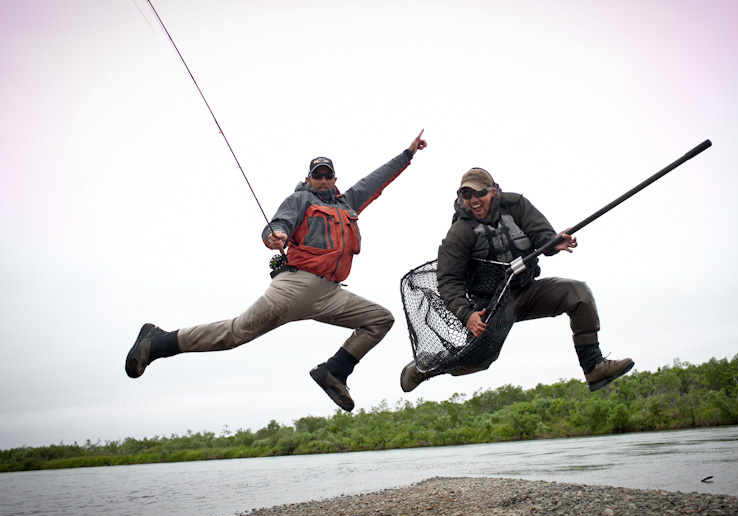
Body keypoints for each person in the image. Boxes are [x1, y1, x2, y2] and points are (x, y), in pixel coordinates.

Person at [127, 130, 428, 412]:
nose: (323, 180)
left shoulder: (347, 203)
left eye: (328, 175)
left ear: (335, 179)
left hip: (331, 294)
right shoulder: (300, 199)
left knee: (379, 320)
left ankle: (334, 372)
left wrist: (408, 154)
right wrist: (276, 235)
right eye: (317, 176)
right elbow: (279, 223)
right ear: (309, 179)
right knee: (235, 333)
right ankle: (158, 341)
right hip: (294, 288)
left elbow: (376, 180)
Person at [401, 167, 633, 392]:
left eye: (479, 193)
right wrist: (466, 314)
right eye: (467, 194)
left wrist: (553, 243)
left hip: (528, 289)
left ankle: (593, 367)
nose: (474, 200)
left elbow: (542, 234)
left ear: (493, 191)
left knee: (579, 294)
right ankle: (426, 367)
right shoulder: (459, 232)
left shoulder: (516, 205)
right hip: (493, 304)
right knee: (479, 359)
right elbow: (448, 280)